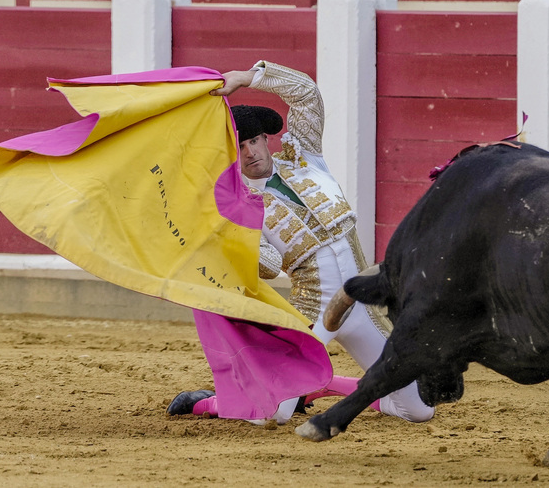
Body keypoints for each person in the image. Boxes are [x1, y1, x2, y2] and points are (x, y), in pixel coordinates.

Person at [168, 61, 435, 425]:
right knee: (271, 416)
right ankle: (209, 403)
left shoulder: (303, 156)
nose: (250, 152)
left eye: (255, 141)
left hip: (361, 304)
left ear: (267, 139)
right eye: (240, 146)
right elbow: (268, 266)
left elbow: (307, 95)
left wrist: (248, 78)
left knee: (418, 409)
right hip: (314, 312)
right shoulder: (240, 204)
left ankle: (325, 385)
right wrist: (226, 232)